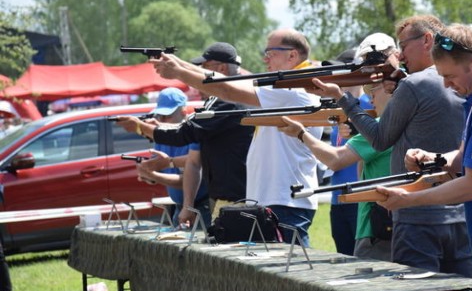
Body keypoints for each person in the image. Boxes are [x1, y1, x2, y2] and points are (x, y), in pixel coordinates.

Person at [308, 18, 472, 275]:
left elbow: (380, 138)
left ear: (427, 40)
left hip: (417, 216)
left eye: (404, 45)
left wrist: (342, 99)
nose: (399, 53)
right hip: (459, 213)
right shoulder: (462, 82)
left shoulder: (414, 84)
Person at [151, 29, 322, 246]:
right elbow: (228, 81)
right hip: (276, 199)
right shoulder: (283, 86)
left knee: (289, 273)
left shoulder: (295, 90)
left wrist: (179, 72)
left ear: (292, 55)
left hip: (286, 201)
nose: (265, 58)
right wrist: (181, 64)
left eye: (271, 52)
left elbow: (228, 90)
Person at [377, 23, 472, 257]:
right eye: (441, 77)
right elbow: (464, 156)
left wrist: (409, 199)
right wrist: (433, 159)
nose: (446, 85)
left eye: (450, 76)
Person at [119, 43, 252, 225]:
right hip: (230, 194)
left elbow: (184, 134)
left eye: (205, 68)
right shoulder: (231, 96)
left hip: (233, 196)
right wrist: (177, 65)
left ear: (221, 68)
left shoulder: (228, 100)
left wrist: (140, 128)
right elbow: (192, 155)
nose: (200, 74)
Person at [279, 79, 393, 261]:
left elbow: (335, 159)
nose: (371, 98)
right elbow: (362, 172)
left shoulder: (384, 126)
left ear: (392, 91)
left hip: (377, 229)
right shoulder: (405, 124)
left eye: (375, 90)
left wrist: (301, 134)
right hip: (386, 221)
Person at [117, 87, 211, 227]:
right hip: (181, 209)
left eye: (166, 116)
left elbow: (188, 180)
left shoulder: (193, 137)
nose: (160, 120)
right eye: (158, 115)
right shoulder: (161, 138)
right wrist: (149, 176)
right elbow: (161, 172)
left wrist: (154, 176)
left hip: (201, 208)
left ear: (183, 112)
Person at [322, 48, 374, 256]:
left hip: (359, 200)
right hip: (338, 199)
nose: (335, 78)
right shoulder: (337, 109)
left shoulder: (370, 106)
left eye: (341, 72)